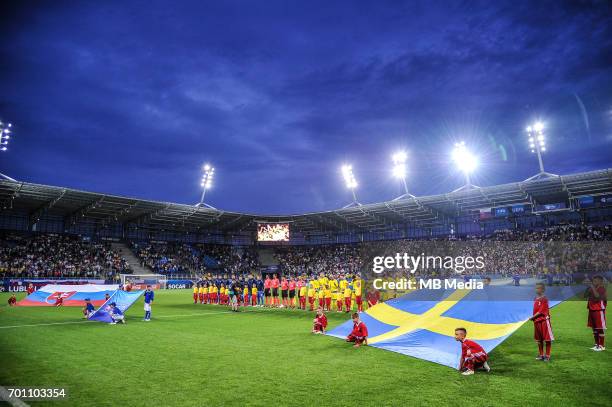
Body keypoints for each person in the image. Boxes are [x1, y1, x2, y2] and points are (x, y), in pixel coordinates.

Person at [529, 283, 553, 361]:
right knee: (539, 339)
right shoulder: (535, 298)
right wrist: (533, 318)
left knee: (547, 339)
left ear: (543, 289)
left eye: (538, 288)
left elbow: (540, 311)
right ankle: (541, 355)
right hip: (536, 321)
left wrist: (532, 317)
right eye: (536, 288)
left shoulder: (544, 299)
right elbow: (535, 309)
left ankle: (548, 356)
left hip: (544, 321)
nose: (537, 289)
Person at [585, 275, 607, 351]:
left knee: (600, 328)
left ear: (600, 281)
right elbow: (585, 295)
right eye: (593, 281)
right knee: (594, 328)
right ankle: (597, 344)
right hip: (591, 309)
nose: (594, 282)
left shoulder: (602, 288)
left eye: (595, 281)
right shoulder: (594, 288)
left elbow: (597, 296)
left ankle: (602, 346)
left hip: (598, 310)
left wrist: (592, 287)